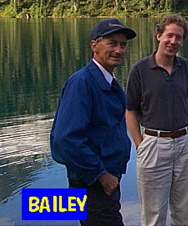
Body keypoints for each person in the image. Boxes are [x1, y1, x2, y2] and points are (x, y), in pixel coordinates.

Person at [50, 19, 137, 225]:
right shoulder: (82, 82)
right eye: (112, 43)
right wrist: (100, 174)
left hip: (105, 180)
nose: (119, 50)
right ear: (94, 46)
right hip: (93, 184)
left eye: (123, 45)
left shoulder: (107, 82)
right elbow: (65, 139)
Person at [126, 14, 188, 226]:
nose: (173, 41)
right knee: (153, 215)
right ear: (158, 36)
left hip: (186, 144)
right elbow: (130, 111)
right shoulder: (140, 70)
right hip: (154, 145)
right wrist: (140, 145)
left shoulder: (184, 67)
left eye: (179, 37)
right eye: (169, 35)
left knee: (184, 214)